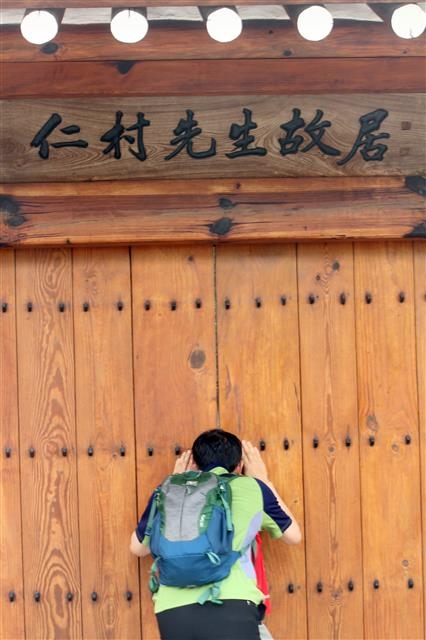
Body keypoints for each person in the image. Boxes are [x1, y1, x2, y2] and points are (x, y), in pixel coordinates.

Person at [130, 429, 301, 640]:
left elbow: (138, 548)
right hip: (231, 603)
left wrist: (175, 481)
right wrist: (263, 480)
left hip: (172, 610)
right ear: (239, 465)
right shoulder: (252, 487)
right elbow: (293, 535)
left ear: (195, 463)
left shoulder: (168, 490)